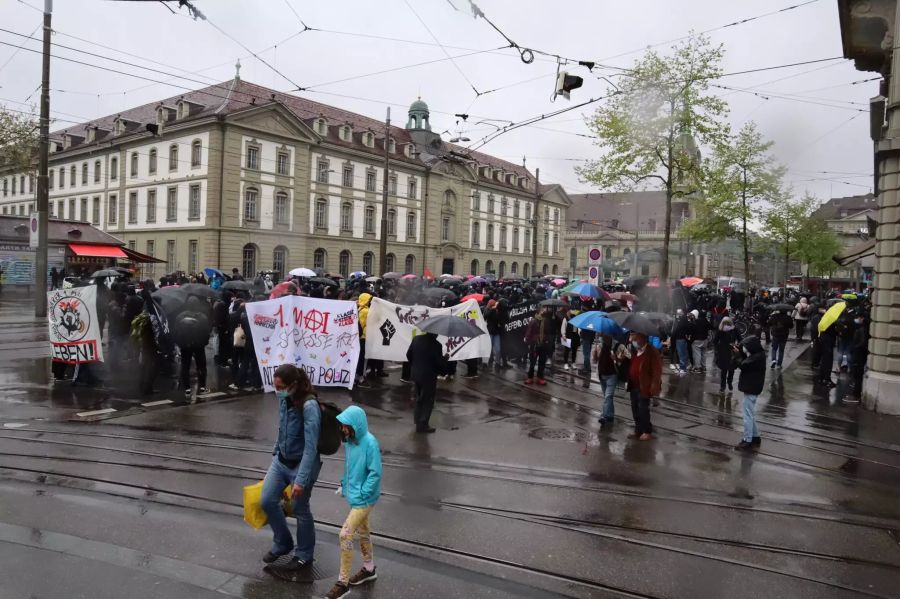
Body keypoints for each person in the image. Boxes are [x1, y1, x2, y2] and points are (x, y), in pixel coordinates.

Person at [262, 365, 323, 578]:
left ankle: (305, 554)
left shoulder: (309, 406)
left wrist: (301, 480)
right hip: (281, 461)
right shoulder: (283, 398)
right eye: (275, 386)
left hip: (302, 464)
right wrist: (276, 452)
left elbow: (311, 447)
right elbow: (282, 427)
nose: (276, 390)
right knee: (267, 500)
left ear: (293, 385)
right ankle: (283, 542)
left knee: (299, 507)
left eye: (280, 387)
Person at [325, 406, 383, 599]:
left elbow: (375, 473)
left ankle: (343, 582)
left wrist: (362, 493)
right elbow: (349, 468)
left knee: (345, 535)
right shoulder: (350, 442)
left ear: (355, 425)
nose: (342, 429)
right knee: (363, 532)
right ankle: (369, 568)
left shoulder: (370, 443)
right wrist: (344, 485)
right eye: (342, 426)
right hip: (357, 496)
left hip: (364, 499)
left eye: (345, 426)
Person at [406, 331, 447, 433]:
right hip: (428, 377)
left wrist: (415, 365)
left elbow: (408, 354)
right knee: (427, 400)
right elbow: (439, 364)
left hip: (416, 375)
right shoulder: (436, 345)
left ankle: (417, 421)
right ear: (435, 334)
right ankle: (423, 424)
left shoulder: (416, 339)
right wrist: (445, 359)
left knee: (418, 398)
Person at [624, 332, 661, 441]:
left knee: (643, 409)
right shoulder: (636, 351)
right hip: (634, 385)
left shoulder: (651, 351)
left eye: (634, 338)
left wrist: (654, 387)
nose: (632, 341)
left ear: (642, 338)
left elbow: (657, 371)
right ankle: (638, 430)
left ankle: (647, 431)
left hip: (644, 386)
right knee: (635, 408)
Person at [173, 296, 212, 396]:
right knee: (201, 366)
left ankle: (187, 388)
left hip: (185, 345)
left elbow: (176, 332)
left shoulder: (180, 316)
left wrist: (180, 343)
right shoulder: (203, 317)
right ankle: (202, 387)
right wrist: (204, 342)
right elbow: (206, 332)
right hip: (199, 345)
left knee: (185, 365)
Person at [735, 335, 765, 451]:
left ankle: (747, 440)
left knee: (747, 415)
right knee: (750, 413)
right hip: (753, 387)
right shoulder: (758, 355)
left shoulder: (756, 358)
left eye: (745, 347)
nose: (744, 349)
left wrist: (738, 355)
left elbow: (743, 365)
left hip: (751, 388)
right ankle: (756, 436)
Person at [592, 333, 621, 427]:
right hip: (602, 374)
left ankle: (604, 416)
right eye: (603, 334)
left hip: (612, 375)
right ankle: (610, 415)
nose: (603, 336)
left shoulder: (617, 345)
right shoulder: (599, 345)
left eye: (605, 334)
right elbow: (595, 360)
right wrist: (595, 355)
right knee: (607, 397)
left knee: (608, 396)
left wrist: (616, 358)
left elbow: (625, 358)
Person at [524, 307, 554, 385]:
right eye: (542, 310)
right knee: (532, 362)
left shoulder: (546, 321)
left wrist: (548, 341)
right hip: (534, 344)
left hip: (543, 344)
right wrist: (527, 340)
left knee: (542, 362)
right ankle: (530, 377)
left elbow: (548, 332)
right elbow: (529, 332)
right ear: (539, 311)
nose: (544, 311)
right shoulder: (533, 321)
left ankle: (540, 377)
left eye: (544, 310)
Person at [844, 312, 869, 404]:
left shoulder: (862, 330)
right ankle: (856, 393)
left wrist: (854, 348)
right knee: (858, 374)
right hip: (860, 354)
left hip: (858, 355)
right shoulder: (863, 328)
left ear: (862, 318)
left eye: (859, 317)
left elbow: (862, 343)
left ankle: (856, 395)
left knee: (857, 375)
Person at [714, 316, 739, 392]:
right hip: (723, 352)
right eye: (725, 323)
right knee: (724, 371)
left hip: (732, 353)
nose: (726, 325)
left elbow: (740, 339)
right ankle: (723, 385)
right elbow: (715, 341)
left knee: (731, 370)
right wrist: (718, 349)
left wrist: (737, 346)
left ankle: (729, 382)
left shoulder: (734, 330)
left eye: (728, 323)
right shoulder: (720, 331)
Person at [356, 293, 372, 388]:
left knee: (360, 357)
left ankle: (358, 376)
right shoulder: (366, 311)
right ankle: (361, 378)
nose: (370, 302)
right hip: (364, 337)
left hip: (360, 337)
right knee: (363, 358)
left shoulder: (359, 309)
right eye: (369, 300)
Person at [689, 309, 710, 373]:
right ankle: (704, 367)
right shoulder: (706, 321)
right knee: (704, 354)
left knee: (697, 354)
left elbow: (692, 331)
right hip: (705, 340)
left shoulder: (696, 321)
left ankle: (697, 368)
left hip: (697, 340)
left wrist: (691, 340)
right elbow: (712, 327)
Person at [671, 309, 690, 374]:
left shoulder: (681, 320)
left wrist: (673, 335)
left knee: (681, 353)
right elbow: (687, 328)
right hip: (683, 338)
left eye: (678, 313)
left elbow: (676, 330)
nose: (677, 315)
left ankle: (683, 368)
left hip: (679, 338)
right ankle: (684, 367)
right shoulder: (685, 319)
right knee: (684, 353)